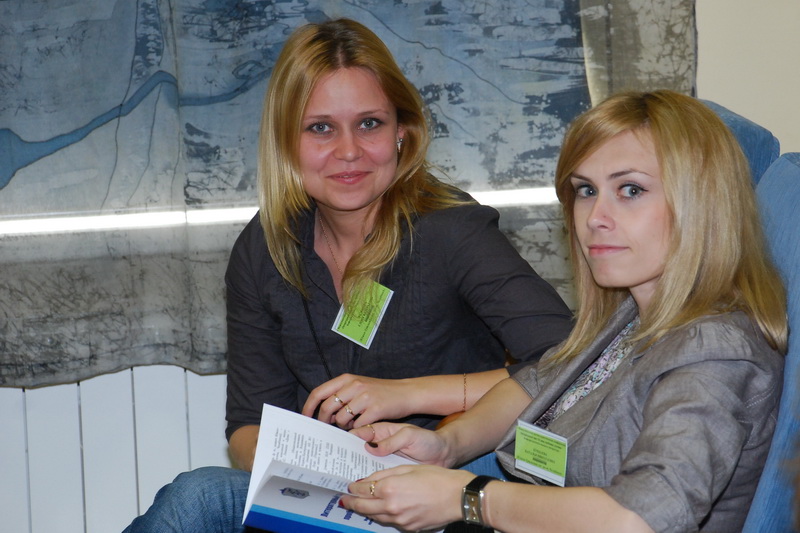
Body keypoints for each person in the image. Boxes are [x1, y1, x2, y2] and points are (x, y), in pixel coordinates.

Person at [123, 18, 572, 532]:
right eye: (321, 128)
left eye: (369, 124)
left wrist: (407, 394)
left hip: (451, 472)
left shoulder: (451, 228)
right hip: (337, 491)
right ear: (286, 141)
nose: (349, 150)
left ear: (402, 132)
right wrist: (310, 477)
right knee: (195, 496)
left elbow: (575, 361)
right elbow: (248, 426)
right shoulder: (264, 247)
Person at [341, 90, 788, 533]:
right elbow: (536, 383)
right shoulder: (633, 313)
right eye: (586, 190)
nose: (594, 217)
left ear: (701, 203)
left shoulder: (715, 348)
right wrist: (446, 445)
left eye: (631, 190)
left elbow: (640, 518)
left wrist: (468, 498)